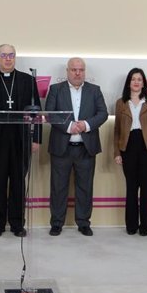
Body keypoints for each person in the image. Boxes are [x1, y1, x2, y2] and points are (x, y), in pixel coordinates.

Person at [0, 44, 41, 237]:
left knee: (19, 183)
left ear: (15, 57)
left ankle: (18, 224)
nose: (8, 59)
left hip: (21, 140)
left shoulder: (27, 80)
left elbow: (35, 111)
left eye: (11, 55)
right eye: (4, 55)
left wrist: (36, 138)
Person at [45, 57, 107, 237]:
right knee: (58, 187)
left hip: (86, 148)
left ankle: (83, 222)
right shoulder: (56, 89)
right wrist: (68, 126)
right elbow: (50, 113)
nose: (78, 73)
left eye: (81, 69)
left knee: (85, 187)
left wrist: (86, 124)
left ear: (84, 71)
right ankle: (57, 223)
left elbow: (103, 113)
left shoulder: (95, 90)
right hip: (61, 148)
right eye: (74, 69)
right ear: (67, 71)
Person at [114, 68, 147, 236]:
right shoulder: (121, 102)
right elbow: (116, 131)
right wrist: (117, 152)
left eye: (139, 79)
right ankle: (131, 225)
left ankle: (145, 226)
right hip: (128, 146)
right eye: (133, 79)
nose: (136, 82)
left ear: (144, 83)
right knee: (131, 187)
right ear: (128, 83)